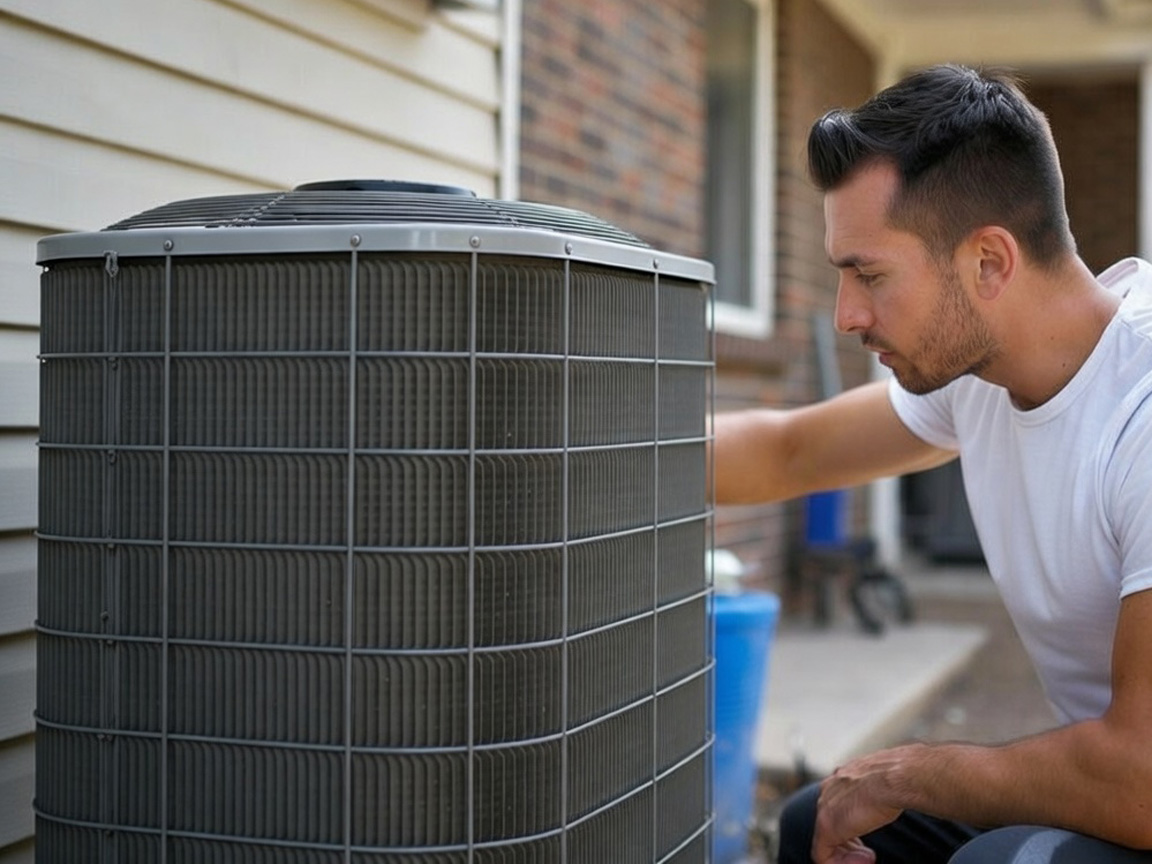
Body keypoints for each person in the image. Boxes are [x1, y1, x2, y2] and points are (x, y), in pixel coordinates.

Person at [713, 64, 1152, 864]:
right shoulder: (981, 377)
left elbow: (1143, 778)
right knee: (820, 823)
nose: (846, 315)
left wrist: (915, 772)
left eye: (869, 274)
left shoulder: (1141, 412)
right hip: (1125, 787)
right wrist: (565, 457)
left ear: (989, 262)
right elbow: (789, 450)